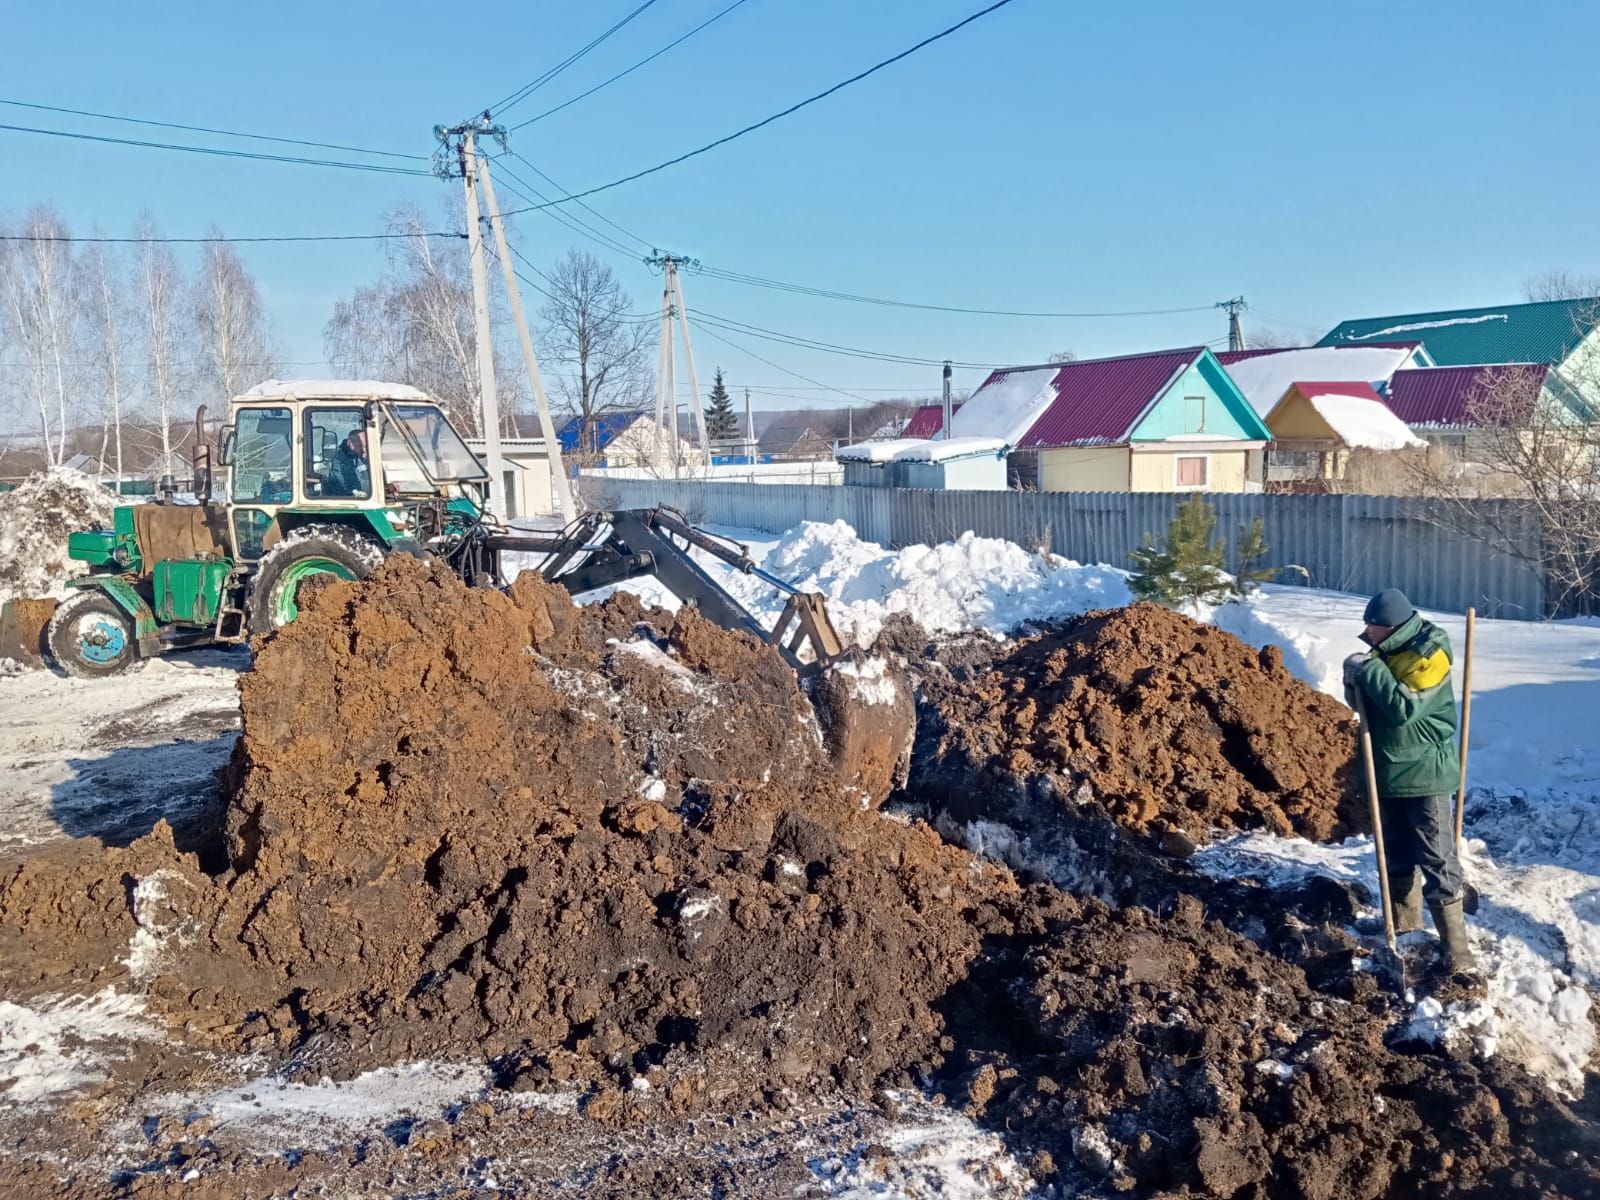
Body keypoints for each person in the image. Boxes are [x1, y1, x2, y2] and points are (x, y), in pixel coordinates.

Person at [1344, 588, 1474, 970]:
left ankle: (1457, 952)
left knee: (1437, 858)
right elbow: (1367, 706)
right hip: (1384, 768)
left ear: (1393, 626)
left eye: (1373, 626)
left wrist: (1369, 671)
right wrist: (1355, 679)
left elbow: (1404, 708)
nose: (1367, 632)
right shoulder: (1382, 652)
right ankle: (1405, 928)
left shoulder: (1429, 654)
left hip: (1424, 772)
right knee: (1395, 854)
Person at [327, 428, 370, 497]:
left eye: (366, 446)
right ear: (349, 443)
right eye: (359, 446)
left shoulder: (362, 457)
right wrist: (380, 486)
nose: (364, 450)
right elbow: (354, 485)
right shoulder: (341, 460)